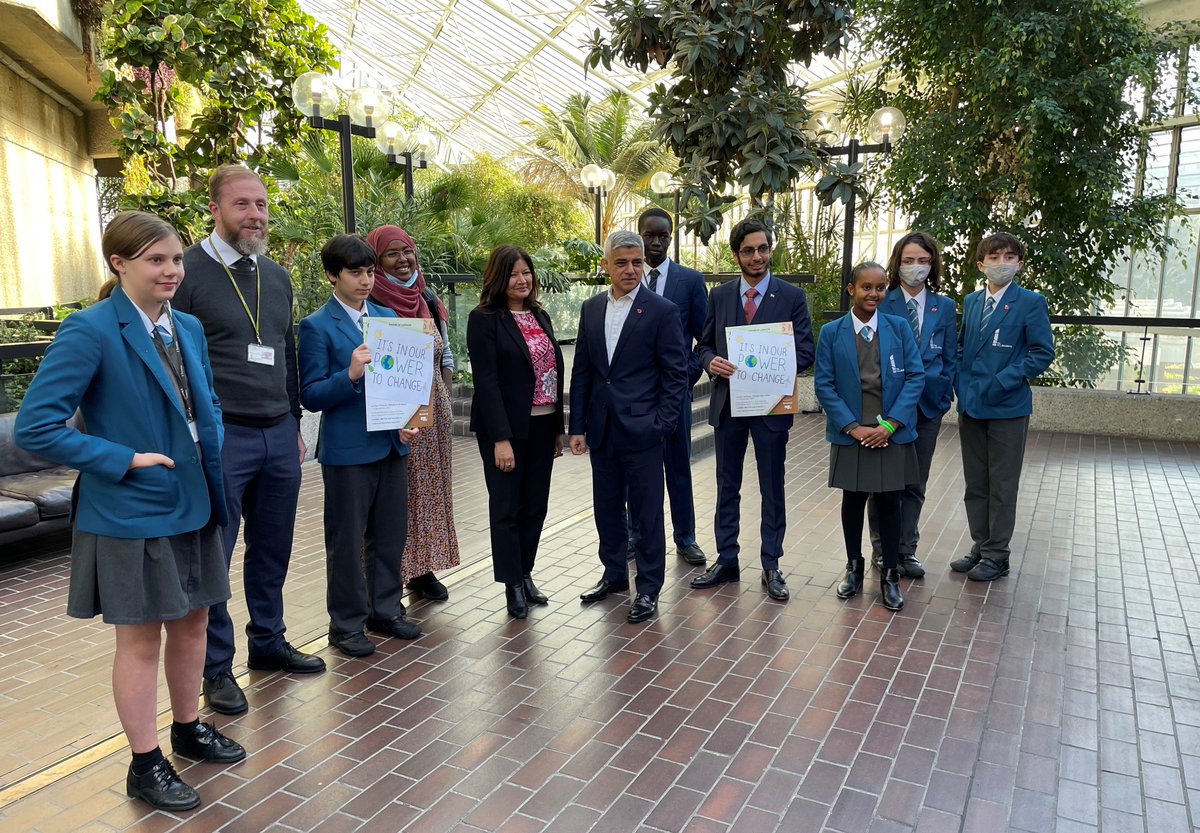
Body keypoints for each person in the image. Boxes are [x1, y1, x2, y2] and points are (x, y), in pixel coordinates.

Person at [15, 211, 244, 812]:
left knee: (194, 623)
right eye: (155, 260)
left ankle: (187, 726)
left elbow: (205, 404)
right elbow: (38, 426)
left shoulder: (186, 326)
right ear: (118, 263)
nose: (171, 271)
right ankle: (145, 765)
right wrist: (123, 459)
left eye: (175, 260)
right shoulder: (89, 330)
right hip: (131, 509)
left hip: (194, 502)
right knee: (140, 642)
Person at [173, 164, 325, 718]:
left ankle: (268, 641)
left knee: (273, 546)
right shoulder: (184, 273)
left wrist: (293, 419)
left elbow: (283, 353)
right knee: (215, 552)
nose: (255, 215)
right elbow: (174, 363)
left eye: (260, 204)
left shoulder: (277, 276)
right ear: (213, 209)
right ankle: (216, 667)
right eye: (241, 205)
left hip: (278, 434)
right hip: (221, 436)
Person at [298, 234, 421, 656]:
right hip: (348, 451)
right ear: (333, 275)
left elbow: (405, 381)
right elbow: (311, 394)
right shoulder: (316, 326)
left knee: (389, 535)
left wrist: (408, 421)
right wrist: (349, 374)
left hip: (391, 444)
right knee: (347, 540)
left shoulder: (387, 316)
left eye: (370, 271)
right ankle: (346, 625)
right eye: (356, 272)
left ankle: (385, 610)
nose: (366, 280)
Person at [691, 218, 814, 601]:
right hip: (729, 405)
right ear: (736, 254)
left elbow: (807, 351)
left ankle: (771, 564)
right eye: (748, 250)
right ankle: (727, 559)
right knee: (727, 484)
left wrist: (774, 358)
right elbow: (703, 346)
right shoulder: (720, 296)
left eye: (763, 248)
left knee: (771, 487)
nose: (756, 256)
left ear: (770, 249)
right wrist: (710, 362)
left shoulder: (791, 296)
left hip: (771, 407)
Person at [569, 230, 688, 624]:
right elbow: (583, 370)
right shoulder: (590, 309)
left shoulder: (662, 310)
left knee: (647, 513)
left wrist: (663, 425)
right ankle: (615, 575)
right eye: (621, 262)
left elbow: (676, 375)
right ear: (605, 265)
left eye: (636, 262)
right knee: (606, 508)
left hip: (644, 430)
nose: (631, 269)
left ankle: (649, 588)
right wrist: (578, 426)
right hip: (602, 429)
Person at [815, 262, 925, 611]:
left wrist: (890, 425)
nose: (873, 294)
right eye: (866, 287)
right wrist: (852, 426)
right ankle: (854, 567)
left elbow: (915, 377)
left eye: (879, 288)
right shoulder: (831, 332)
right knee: (853, 501)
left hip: (889, 432)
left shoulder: (899, 328)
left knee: (891, 503)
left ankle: (890, 574)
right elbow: (824, 384)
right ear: (851, 289)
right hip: (853, 433)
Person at [466, 245, 565, 618]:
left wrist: (557, 428)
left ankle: (525, 573)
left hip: (543, 424)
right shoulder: (484, 318)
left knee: (535, 506)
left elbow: (553, 372)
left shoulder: (540, 314)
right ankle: (511, 586)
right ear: (498, 278)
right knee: (507, 507)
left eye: (526, 272)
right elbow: (487, 384)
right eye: (513, 274)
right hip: (505, 429)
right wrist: (501, 439)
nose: (522, 280)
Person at [365, 225, 460, 603]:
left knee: (431, 495)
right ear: (376, 260)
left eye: (407, 251)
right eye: (391, 254)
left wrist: (445, 398)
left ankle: (423, 571)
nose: (403, 261)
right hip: (393, 418)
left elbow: (446, 355)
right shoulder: (371, 303)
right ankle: (390, 576)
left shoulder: (429, 298)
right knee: (398, 498)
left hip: (433, 416)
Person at [952, 232, 1055, 581]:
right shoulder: (971, 302)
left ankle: (998, 555)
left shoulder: (1030, 302)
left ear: (1020, 263)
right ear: (981, 265)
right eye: (994, 258)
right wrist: (960, 387)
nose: (1002, 264)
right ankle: (981, 546)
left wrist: (1002, 381)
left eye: (1009, 257)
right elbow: (963, 347)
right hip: (971, 406)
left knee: (1002, 484)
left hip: (1007, 407)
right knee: (976, 483)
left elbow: (1041, 352)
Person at [866, 232, 958, 577]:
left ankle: (907, 550)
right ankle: (882, 549)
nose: (915, 267)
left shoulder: (944, 307)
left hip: (928, 408)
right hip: (887, 410)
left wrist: (944, 394)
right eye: (908, 260)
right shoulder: (881, 301)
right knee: (883, 483)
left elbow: (950, 357)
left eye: (922, 260)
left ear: (932, 264)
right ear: (897, 264)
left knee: (915, 483)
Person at [629, 207, 709, 566]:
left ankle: (685, 537)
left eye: (663, 236)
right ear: (640, 235)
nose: (656, 242)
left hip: (674, 393)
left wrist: (686, 375)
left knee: (678, 467)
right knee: (636, 469)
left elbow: (704, 337)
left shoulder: (689, 281)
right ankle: (636, 534)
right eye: (650, 235)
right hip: (634, 396)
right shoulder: (626, 277)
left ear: (670, 237)